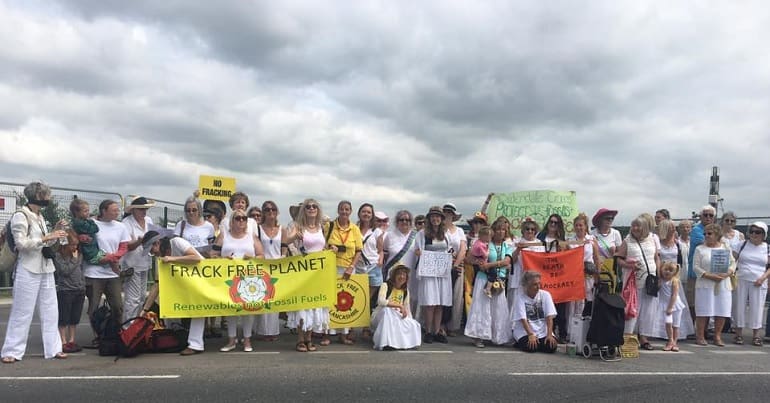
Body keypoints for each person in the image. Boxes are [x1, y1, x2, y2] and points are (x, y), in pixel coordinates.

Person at [1, 182, 69, 363]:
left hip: (45, 268)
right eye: (46, 195)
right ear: (37, 196)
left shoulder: (40, 216)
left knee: (51, 310)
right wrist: (47, 237)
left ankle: (54, 348)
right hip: (27, 269)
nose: (49, 198)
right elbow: (21, 244)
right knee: (22, 311)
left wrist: (54, 231)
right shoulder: (20, 216)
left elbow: (43, 243)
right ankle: (12, 351)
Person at [139, 230, 204, 355]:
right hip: (185, 284)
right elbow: (157, 285)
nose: (152, 254)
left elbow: (196, 258)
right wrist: (145, 310)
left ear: (157, 243)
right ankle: (182, 338)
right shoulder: (160, 258)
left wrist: (172, 259)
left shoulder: (177, 242)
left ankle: (195, 344)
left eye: (152, 250)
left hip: (201, 279)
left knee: (198, 309)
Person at [211, 209, 265, 352]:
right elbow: (213, 255)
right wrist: (223, 259)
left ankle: (247, 340)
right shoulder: (224, 236)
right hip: (228, 277)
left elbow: (261, 255)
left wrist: (251, 258)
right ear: (232, 221)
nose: (241, 221)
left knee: (248, 308)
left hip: (248, 278)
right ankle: (231, 339)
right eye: (238, 218)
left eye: (244, 218)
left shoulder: (252, 236)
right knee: (231, 308)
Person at [83, 199, 130, 346]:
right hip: (94, 272)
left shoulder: (120, 227)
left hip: (113, 272)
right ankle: (98, 336)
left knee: (117, 306)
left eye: (118, 210)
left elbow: (124, 246)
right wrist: (105, 258)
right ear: (104, 211)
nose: (117, 212)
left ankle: (115, 334)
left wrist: (114, 257)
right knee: (94, 308)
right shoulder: (91, 224)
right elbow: (87, 245)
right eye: (114, 210)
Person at [285, 198, 330, 351]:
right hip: (302, 269)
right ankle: (300, 339)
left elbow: (324, 246)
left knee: (314, 304)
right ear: (303, 210)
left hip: (318, 272)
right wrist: (293, 237)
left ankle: (309, 338)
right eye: (308, 207)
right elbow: (285, 241)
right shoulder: (297, 226)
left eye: (314, 206)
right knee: (302, 305)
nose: (311, 209)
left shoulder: (321, 227)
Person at [464, 220, 512, 348]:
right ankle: (479, 336)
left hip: (498, 280)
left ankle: (497, 336)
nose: (501, 232)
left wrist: (490, 265)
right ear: (493, 231)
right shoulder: (484, 243)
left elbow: (507, 261)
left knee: (498, 308)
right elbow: (468, 258)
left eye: (503, 230)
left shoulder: (506, 246)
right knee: (482, 307)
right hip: (483, 278)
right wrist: (478, 263)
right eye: (498, 229)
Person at [616, 215, 660, 351]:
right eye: (633, 225)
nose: (635, 228)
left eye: (638, 226)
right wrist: (629, 266)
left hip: (650, 280)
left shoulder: (652, 239)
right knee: (632, 308)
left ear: (645, 227)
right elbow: (618, 259)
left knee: (648, 310)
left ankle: (644, 338)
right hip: (633, 281)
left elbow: (656, 258)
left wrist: (658, 275)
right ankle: (628, 338)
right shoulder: (627, 241)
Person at [325, 200, 363, 344]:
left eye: (347, 209)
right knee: (330, 300)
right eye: (342, 209)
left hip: (348, 269)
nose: (344, 212)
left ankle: (343, 335)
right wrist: (330, 249)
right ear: (338, 210)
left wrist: (351, 267)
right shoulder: (330, 226)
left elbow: (359, 250)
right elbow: (322, 245)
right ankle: (326, 334)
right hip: (331, 267)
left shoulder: (355, 229)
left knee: (345, 301)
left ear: (351, 211)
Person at [692, 223, 735, 346]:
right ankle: (700, 336)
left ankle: (717, 336)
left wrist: (728, 273)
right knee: (703, 310)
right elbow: (695, 267)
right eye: (705, 233)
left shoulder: (725, 247)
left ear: (717, 235)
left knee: (721, 310)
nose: (706, 236)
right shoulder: (699, 249)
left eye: (709, 233)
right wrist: (709, 275)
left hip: (722, 282)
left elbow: (733, 263)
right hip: (705, 283)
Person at [415, 206, 453, 344]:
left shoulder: (446, 234)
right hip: (429, 273)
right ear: (429, 219)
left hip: (442, 273)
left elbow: (451, 249)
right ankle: (428, 331)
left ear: (441, 219)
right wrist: (419, 253)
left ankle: (437, 331)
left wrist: (451, 254)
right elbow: (417, 250)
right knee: (430, 302)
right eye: (433, 216)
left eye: (438, 216)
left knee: (440, 303)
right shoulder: (422, 234)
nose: (435, 219)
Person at [653, 219, 695, 340]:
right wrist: (659, 276)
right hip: (662, 275)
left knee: (676, 300)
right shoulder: (658, 244)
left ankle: (677, 332)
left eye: (674, 227)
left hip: (674, 277)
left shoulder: (677, 243)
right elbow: (657, 259)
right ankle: (660, 331)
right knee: (661, 303)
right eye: (671, 227)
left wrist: (676, 275)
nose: (674, 229)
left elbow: (680, 261)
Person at [732, 221, 770, 346]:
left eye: (757, 232)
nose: (754, 234)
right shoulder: (741, 245)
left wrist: (763, 278)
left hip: (759, 281)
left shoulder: (767, 247)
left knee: (757, 308)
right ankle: (738, 334)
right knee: (739, 306)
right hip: (741, 279)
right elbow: (732, 261)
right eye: (752, 231)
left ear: (763, 234)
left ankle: (756, 336)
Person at [120, 196, 155, 321]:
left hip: (145, 261)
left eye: (145, 209)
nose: (144, 212)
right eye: (141, 209)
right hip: (131, 264)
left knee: (141, 298)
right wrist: (139, 242)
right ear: (133, 210)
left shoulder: (149, 220)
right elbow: (126, 246)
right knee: (132, 299)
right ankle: (128, 327)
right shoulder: (126, 223)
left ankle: (137, 327)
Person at [371, 265, 421, 350]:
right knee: (388, 311)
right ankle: (385, 343)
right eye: (399, 274)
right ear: (394, 276)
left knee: (414, 324)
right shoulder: (385, 285)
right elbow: (381, 301)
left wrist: (408, 318)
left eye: (404, 275)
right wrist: (399, 305)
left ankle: (403, 344)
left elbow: (407, 308)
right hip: (380, 316)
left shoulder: (405, 291)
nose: (401, 277)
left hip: (396, 316)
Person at [537, 213, 568, 342]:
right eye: (551, 222)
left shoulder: (563, 240)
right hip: (544, 275)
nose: (553, 225)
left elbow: (568, 257)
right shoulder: (540, 238)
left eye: (556, 223)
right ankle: (547, 332)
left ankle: (562, 333)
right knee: (545, 304)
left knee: (560, 305)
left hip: (558, 276)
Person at [255, 200, 283, 342]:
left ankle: (273, 331)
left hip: (277, 268)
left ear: (277, 212)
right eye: (267, 210)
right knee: (262, 299)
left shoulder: (281, 229)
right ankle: (261, 331)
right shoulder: (258, 229)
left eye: (273, 209)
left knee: (274, 301)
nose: (270, 211)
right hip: (262, 267)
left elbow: (285, 245)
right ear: (263, 213)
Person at [382, 210, 418, 317]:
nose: (404, 222)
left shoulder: (417, 236)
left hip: (412, 273)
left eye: (407, 220)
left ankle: (410, 323)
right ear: (397, 221)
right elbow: (385, 254)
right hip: (394, 273)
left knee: (411, 297)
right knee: (393, 297)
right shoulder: (389, 236)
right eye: (401, 219)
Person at [54, 230, 85, 354]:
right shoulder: (59, 256)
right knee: (64, 317)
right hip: (65, 290)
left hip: (79, 289)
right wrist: (74, 260)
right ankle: (63, 341)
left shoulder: (79, 254)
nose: (75, 247)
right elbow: (64, 271)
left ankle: (72, 339)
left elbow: (80, 269)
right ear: (65, 244)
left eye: (76, 244)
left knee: (74, 317)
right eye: (72, 245)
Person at [512, 271, 558, 353]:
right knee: (531, 348)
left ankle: (538, 343)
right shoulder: (520, 298)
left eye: (539, 284)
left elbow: (549, 317)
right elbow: (523, 319)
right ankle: (519, 342)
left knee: (551, 347)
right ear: (526, 286)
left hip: (542, 331)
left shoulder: (545, 295)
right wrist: (530, 334)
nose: (538, 287)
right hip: (525, 331)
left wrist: (549, 334)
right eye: (535, 284)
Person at [355, 203, 385, 327]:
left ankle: (365, 327)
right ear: (359, 213)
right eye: (364, 211)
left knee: (367, 300)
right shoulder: (353, 229)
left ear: (372, 215)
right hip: (357, 266)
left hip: (373, 266)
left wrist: (381, 260)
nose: (366, 214)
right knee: (357, 299)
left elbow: (380, 250)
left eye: (369, 212)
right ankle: (352, 327)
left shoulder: (377, 232)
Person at [441, 203, 467, 337]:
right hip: (441, 266)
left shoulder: (460, 231)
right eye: (445, 212)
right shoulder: (439, 230)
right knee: (441, 296)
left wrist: (455, 264)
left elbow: (463, 249)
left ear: (453, 215)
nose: (447, 215)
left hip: (457, 266)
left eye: (450, 212)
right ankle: (440, 324)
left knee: (456, 296)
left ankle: (452, 325)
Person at [568, 213, 600, 317]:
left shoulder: (591, 239)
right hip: (574, 276)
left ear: (586, 226)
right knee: (573, 303)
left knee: (587, 301)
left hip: (588, 275)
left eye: (581, 225)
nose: (578, 227)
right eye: (576, 225)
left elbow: (596, 258)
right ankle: (572, 329)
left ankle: (585, 328)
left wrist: (597, 275)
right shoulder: (569, 241)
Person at [509, 218, 544, 313]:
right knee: (516, 307)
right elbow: (511, 260)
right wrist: (518, 249)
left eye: (532, 229)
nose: (530, 231)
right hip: (519, 280)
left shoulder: (540, 244)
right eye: (527, 229)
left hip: (534, 282)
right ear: (523, 230)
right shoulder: (516, 242)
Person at [658, 262, 685, 351]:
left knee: (675, 325)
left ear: (675, 272)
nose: (667, 272)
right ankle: (670, 340)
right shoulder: (661, 280)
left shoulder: (674, 281)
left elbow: (674, 295)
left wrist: (670, 307)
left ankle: (674, 342)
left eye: (670, 270)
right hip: (665, 304)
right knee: (668, 323)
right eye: (665, 269)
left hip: (675, 305)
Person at [470, 226, 494, 297]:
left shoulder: (477, 242)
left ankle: (473, 288)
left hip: (477, 261)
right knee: (493, 272)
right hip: (481, 261)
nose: (489, 238)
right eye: (488, 236)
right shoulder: (481, 245)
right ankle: (488, 288)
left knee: (475, 274)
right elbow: (485, 255)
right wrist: (488, 250)